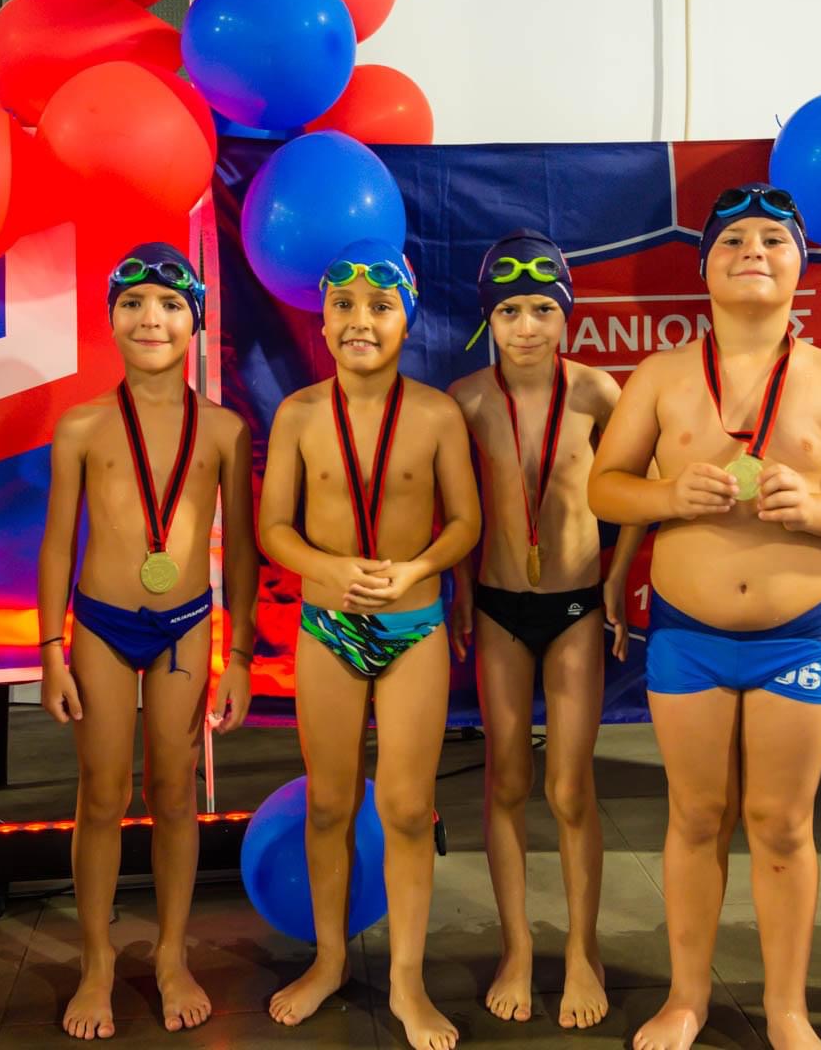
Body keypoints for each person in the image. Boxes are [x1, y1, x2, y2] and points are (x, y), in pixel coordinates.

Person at [587, 184, 821, 1050]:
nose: (753, 252)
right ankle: (686, 998)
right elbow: (603, 489)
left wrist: (818, 507)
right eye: (732, 241)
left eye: (773, 239)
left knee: (782, 824)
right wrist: (665, 495)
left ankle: (786, 1009)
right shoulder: (662, 376)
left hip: (795, 639)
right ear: (703, 269)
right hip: (687, 640)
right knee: (695, 818)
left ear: (803, 268)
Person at [257, 239, 480, 1050]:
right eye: (344, 305)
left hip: (413, 628)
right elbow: (274, 527)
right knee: (328, 802)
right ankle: (327, 960)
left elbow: (466, 522)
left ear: (407, 320)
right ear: (321, 321)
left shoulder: (437, 415)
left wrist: (417, 569)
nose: (361, 320)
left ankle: (408, 983)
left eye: (381, 307)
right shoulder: (298, 415)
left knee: (409, 810)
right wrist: (329, 568)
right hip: (328, 627)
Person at [36, 242, 258, 1038]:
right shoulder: (82, 425)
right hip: (99, 624)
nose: (150, 319)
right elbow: (57, 543)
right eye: (132, 304)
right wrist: (50, 649)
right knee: (101, 795)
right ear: (111, 319)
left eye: (168, 305)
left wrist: (239, 656)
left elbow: (244, 550)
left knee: (174, 793)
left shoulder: (224, 430)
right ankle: (97, 962)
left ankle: (170, 955)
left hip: (186, 626)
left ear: (194, 321)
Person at [447, 228, 644, 1030]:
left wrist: (619, 576)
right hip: (498, 607)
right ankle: (519, 946)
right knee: (506, 780)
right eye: (510, 311)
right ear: (487, 318)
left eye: (541, 310)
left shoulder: (597, 392)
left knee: (568, 786)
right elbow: (454, 506)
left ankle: (583, 950)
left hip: (574, 609)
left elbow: (643, 484)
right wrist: (461, 589)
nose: (526, 327)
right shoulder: (465, 400)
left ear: (567, 316)